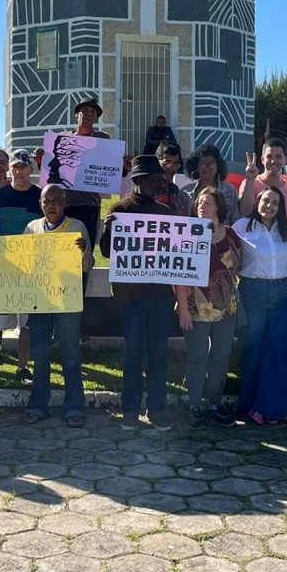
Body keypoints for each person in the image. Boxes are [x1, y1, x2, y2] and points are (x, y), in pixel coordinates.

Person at [100, 154, 177, 430]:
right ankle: (130, 409)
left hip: (160, 297)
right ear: (139, 180)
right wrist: (109, 230)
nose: (159, 184)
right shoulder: (119, 209)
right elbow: (108, 252)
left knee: (159, 353)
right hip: (130, 297)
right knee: (133, 353)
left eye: (161, 179)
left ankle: (156, 409)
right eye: (154, 180)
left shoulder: (168, 213)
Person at [22, 184, 94, 427]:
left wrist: (83, 253)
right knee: (40, 355)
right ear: (40, 204)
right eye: (46, 201)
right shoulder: (31, 228)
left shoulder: (77, 227)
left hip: (67, 302)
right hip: (40, 302)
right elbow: (22, 263)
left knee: (71, 355)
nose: (51, 205)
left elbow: (88, 266)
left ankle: (74, 407)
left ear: (64, 203)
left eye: (56, 200)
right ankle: (37, 405)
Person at [174, 186, 243, 427]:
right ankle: (194, 405)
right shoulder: (187, 234)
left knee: (221, 356)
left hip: (227, 309)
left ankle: (214, 404)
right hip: (195, 307)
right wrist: (183, 309)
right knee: (198, 356)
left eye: (208, 202)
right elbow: (178, 273)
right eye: (200, 202)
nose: (202, 205)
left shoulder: (232, 235)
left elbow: (240, 267)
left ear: (220, 207)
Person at [232, 184, 287, 425]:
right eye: (266, 200)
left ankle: (271, 408)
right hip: (252, 293)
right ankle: (249, 406)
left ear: (281, 208)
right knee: (253, 349)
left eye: (275, 203)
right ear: (258, 201)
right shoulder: (242, 227)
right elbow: (227, 252)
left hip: (281, 294)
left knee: (277, 351)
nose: (270, 206)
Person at [0, 149, 43, 387]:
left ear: (31, 170)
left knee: (26, 323)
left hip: (30, 270)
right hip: (1, 270)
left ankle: (23, 367)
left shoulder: (40, 197)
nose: (19, 171)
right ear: (10, 169)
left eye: (23, 167)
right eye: (15, 167)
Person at [62, 96, 111, 242]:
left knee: (86, 247)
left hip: (90, 204)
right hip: (65, 203)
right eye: (84, 110)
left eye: (92, 112)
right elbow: (50, 169)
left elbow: (111, 167)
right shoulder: (63, 139)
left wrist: (122, 166)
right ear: (77, 114)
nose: (88, 114)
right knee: (66, 247)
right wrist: (41, 158)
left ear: (96, 118)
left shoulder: (103, 139)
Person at [239, 138, 287, 225]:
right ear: (262, 159)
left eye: (278, 157)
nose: (273, 161)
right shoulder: (250, 183)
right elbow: (245, 211)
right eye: (269, 156)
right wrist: (250, 180)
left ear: (285, 160)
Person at [177, 143, 239, 224]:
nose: (207, 167)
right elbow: (177, 220)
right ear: (196, 166)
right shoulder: (185, 191)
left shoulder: (230, 190)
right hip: (191, 235)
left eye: (211, 163)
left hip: (222, 234)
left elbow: (236, 219)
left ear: (218, 166)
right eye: (203, 163)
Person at [154, 140, 185, 209]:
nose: (171, 168)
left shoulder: (175, 189)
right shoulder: (148, 187)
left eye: (175, 164)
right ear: (157, 162)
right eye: (167, 163)